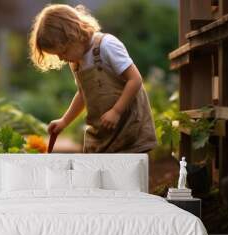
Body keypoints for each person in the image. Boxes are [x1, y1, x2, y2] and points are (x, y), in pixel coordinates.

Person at [29, 4, 157, 153]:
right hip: (103, 132)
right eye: (57, 55)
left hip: (128, 126)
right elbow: (83, 93)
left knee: (127, 170)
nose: (62, 58)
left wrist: (116, 111)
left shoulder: (107, 46)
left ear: (74, 35)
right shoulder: (76, 62)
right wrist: (64, 121)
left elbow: (135, 80)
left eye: (63, 51)